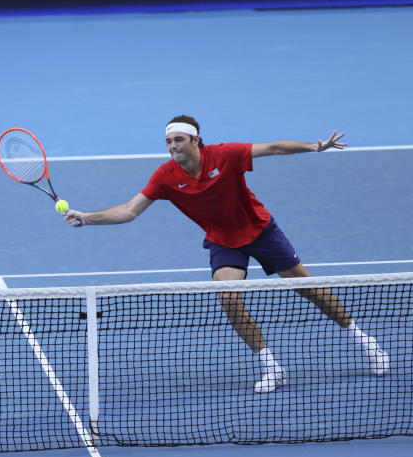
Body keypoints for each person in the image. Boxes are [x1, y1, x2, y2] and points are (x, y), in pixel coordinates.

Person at [63, 115, 390, 393]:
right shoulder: (166, 177)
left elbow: (273, 148)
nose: (173, 146)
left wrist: (314, 147)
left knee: (309, 289)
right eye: (168, 142)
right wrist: (87, 217)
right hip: (223, 241)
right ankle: (272, 366)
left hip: (260, 231)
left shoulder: (226, 155)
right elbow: (130, 211)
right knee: (229, 296)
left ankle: (365, 342)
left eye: (179, 140)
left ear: (196, 141)